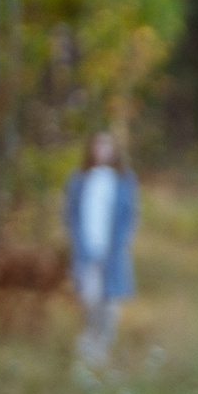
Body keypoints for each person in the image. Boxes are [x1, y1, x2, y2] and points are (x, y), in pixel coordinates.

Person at [63, 131, 139, 367]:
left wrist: (124, 241)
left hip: (113, 251)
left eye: (107, 146)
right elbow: (70, 214)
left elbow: (130, 215)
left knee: (110, 303)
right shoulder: (79, 179)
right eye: (98, 146)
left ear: (114, 150)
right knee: (89, 299)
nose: (102, 151)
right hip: (87, 250)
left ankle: (102, 349)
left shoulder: (124, 180)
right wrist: (77, 241)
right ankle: (88, 344)